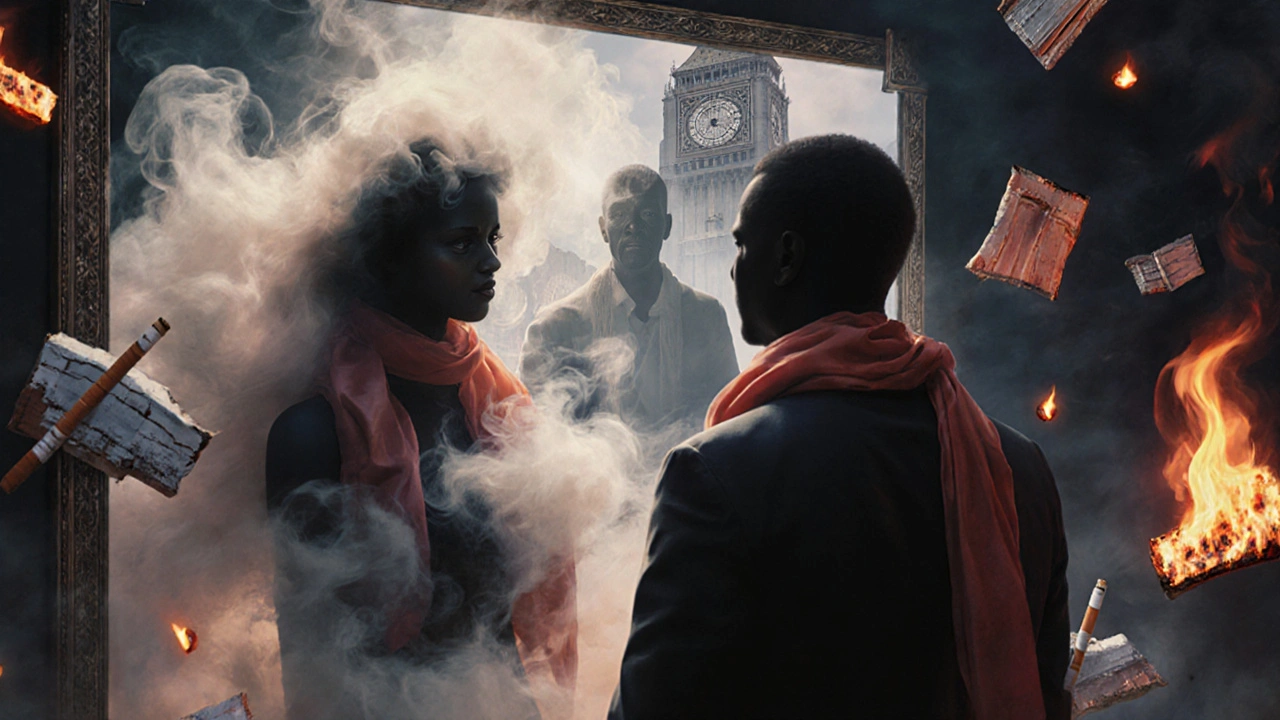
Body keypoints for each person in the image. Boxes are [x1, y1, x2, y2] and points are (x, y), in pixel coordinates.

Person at [610, 135, 1071, 720]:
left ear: (786, 257)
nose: (732, 267)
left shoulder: (715, 473)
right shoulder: (1019, 465)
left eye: (742, 245)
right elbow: (1047, 698)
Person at [265, 140, 575, 720]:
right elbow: (312, 666)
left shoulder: (500, 410)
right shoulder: (313, 433)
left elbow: (508, 627)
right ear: (388, 257)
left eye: (493, 238)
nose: (491, 261)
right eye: (462, 242)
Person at [519, 165, 738, 431]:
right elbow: (533, 435)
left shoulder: (706, 317)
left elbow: (728, 422)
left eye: (646, 214)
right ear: (603, 228)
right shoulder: (555, 328)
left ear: (666, 226)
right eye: (620, 214)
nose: (633, 227)